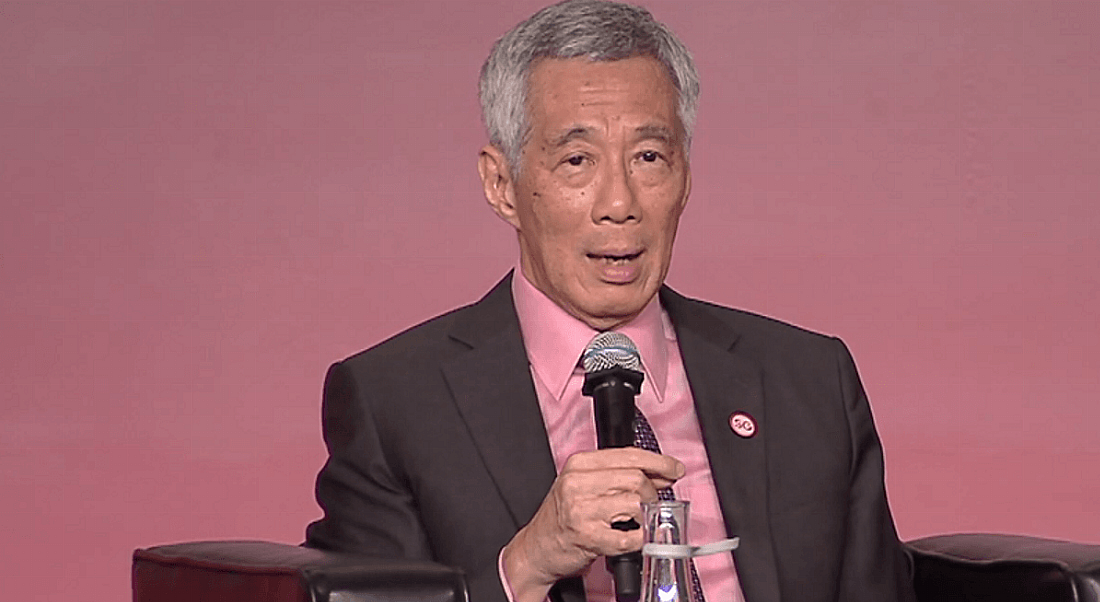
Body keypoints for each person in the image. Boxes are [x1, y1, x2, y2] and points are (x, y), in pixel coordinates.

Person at [305, 1, 917, 601]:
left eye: (649, 158)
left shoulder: (808, 381)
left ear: (685, 176)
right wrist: (528, 564)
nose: (619, 202)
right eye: (577, 161)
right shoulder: (396, 403)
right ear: (502, 186)